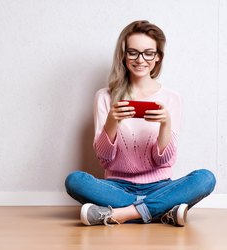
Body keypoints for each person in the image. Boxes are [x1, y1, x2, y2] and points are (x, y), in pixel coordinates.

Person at [65, 20, 216, 227]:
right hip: (116, 187)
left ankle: (121, 214)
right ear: (123, 55)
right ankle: (161, 211)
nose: (140, 59)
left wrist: (165, 124)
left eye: (148, 53)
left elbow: (163, 162)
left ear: (157, 57)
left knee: (205, 178)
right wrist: (112, 121)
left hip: (160, 186)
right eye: (133, 52)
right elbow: (104, 158)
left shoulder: (172, 98)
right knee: (75, 181)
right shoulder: (104, 97)